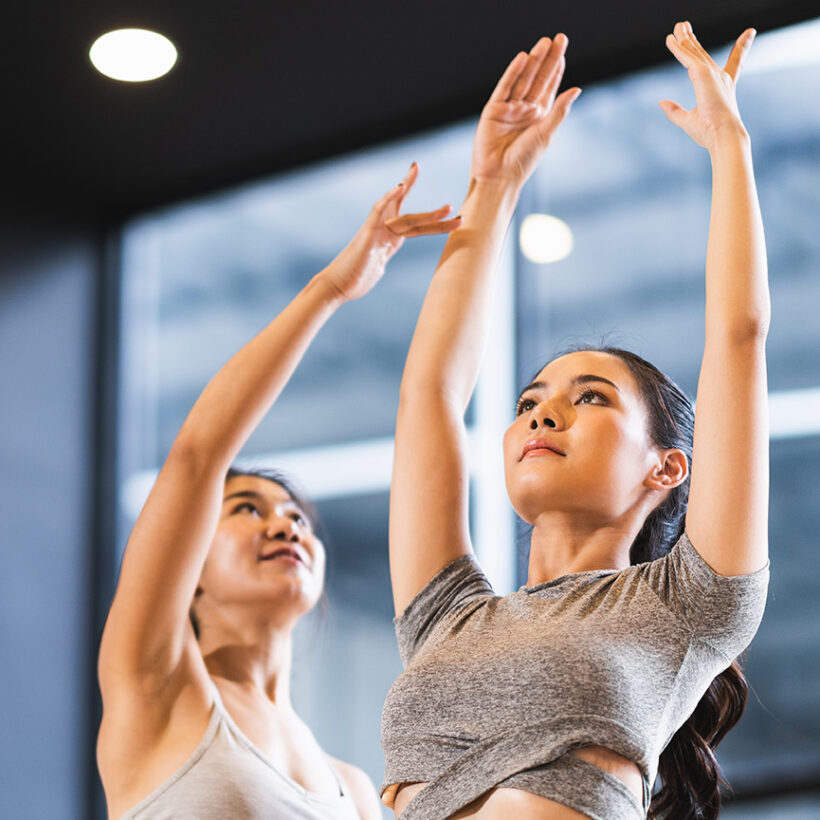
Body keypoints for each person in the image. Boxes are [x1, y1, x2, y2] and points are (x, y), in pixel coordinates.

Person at [381, 21, 769, 820]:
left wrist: (730, 148)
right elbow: (429, 394)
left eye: (590, 396)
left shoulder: (687, 605)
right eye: (528, 401)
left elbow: (738, 337)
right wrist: (494, 184)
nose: (543, 411)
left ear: (667, 468)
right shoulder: (445, 616)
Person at [96, 168, 462, 819]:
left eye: (298, 517)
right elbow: (198, 455)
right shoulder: (155, 685)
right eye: (247, 510)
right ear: (191, 569)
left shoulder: (351, 786)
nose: (287, 526)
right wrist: (330, 290)